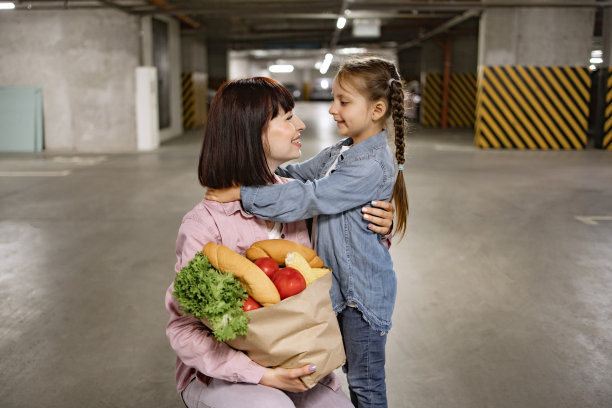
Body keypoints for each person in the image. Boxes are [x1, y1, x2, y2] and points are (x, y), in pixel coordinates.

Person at [165, 77, 396, 408]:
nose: (300, 124)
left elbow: (350, 248)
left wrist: (384, 223)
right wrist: (262, 376)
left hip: (295, 363)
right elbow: (185, 329)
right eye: (288, 118)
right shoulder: (205, 223)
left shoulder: (302, 201)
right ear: (252, 130)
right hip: (223, 374)